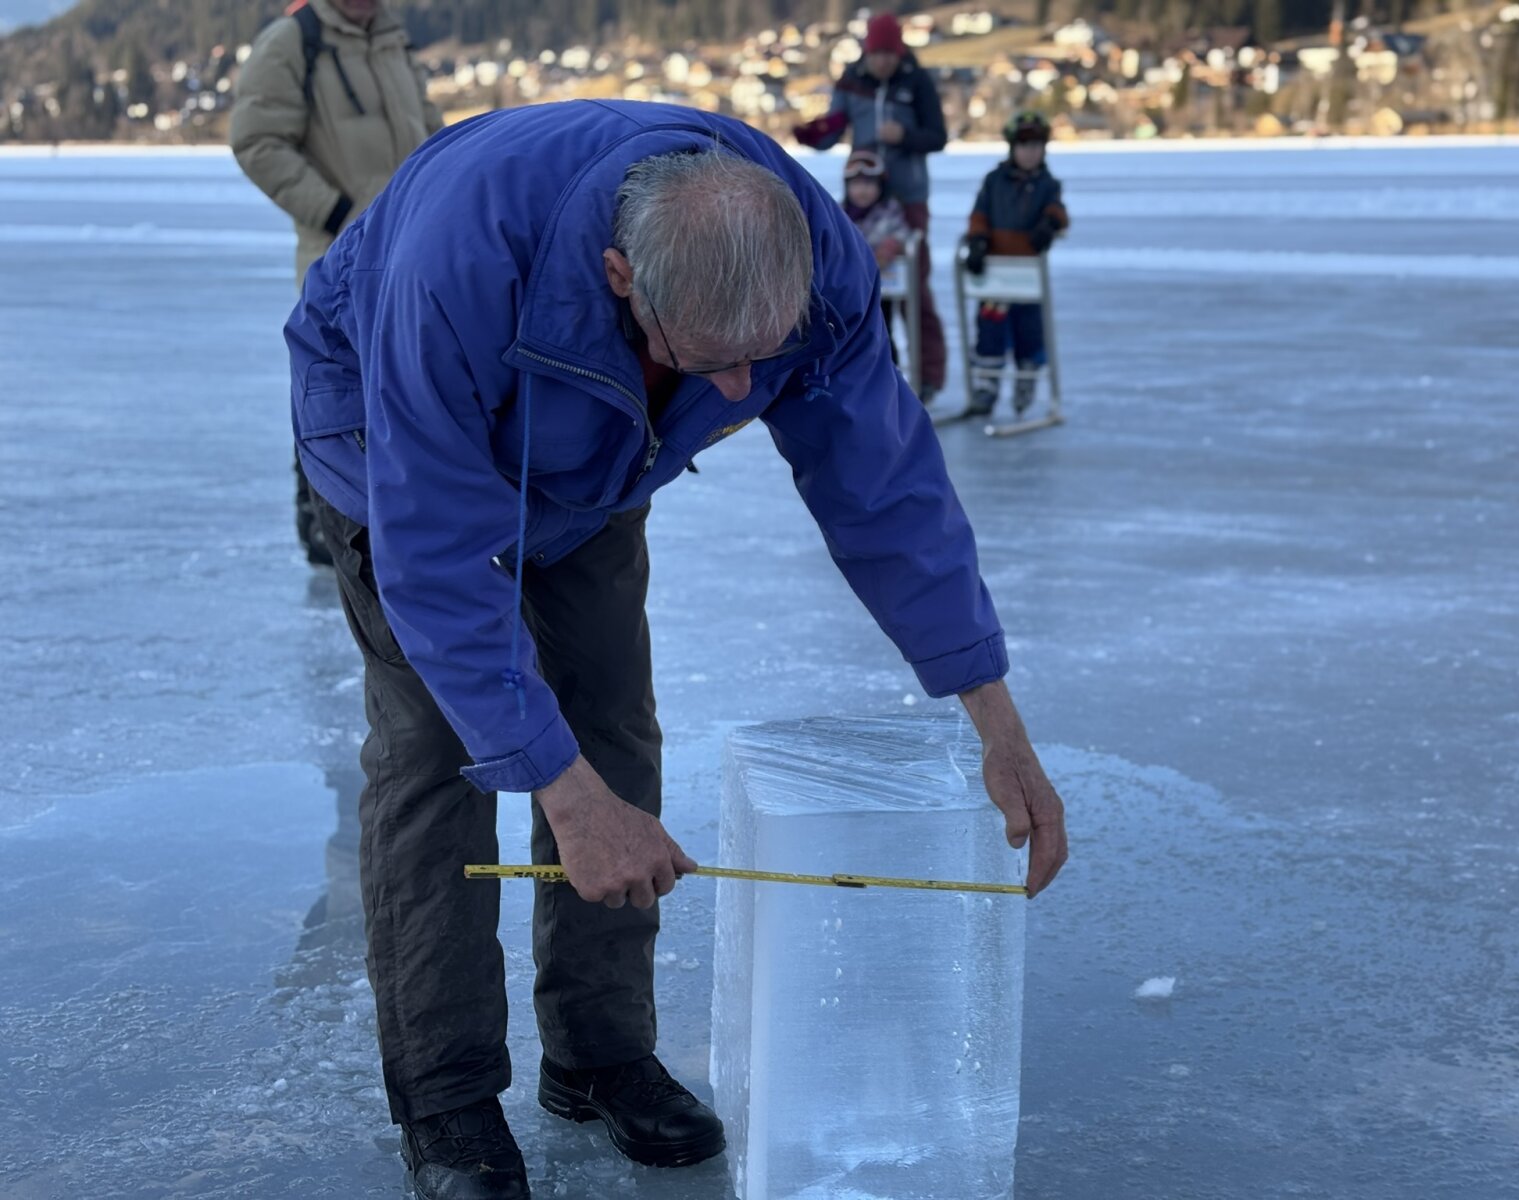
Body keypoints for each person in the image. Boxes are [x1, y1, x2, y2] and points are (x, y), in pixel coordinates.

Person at [285, 99, 1069, 1200]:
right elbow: (438, 565)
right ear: (620, 276)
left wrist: (994, 717)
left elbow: (884, 488)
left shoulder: (810, 267)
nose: (743, 393)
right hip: (387, 433)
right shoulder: (456, 269)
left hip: (597, 457)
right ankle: (448, 1097)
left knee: (613, 731)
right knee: (439, 757)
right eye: (714, 365)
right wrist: (556, 790)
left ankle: (598, 1053)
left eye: (761, 362)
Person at [229, 0, 442, 565]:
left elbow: (431, 135)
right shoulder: (293, 40)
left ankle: (406, 522)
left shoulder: (391, 39)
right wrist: (336, 213)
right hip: (339, 262)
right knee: (337, 393)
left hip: (412, 254)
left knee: (407, 388)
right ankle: (328, 529)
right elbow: (255, 141)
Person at [794, 11, 948, 404]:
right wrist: (813, 133)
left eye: (889, 55)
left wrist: (905, 135)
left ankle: (929, 378)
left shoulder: (916, 81)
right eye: (877, 54)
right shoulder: (852, 80)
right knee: (862, 290)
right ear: (867, 52)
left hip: (907, 199)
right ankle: (870, 373)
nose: (883, 62)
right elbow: (835, 126)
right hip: (862, 200)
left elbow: (938, 136)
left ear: (899, 53)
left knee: (915, 288)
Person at [961, 110, 1070, 419]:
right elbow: (979, 214)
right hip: (995, 275)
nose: (1030, 152)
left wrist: (1049, 225)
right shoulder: (995, 181)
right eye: (1024, 145)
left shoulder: (1048, 184)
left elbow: (1058, 212)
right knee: (990, 333)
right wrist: (978, 242)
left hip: (1027, 276)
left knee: (1029, 333)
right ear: (1012, 147)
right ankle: (987, 387)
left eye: (1036, 145)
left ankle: (1026, 383)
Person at [840, 148, 911, 358]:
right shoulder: (840, 212)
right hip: (850, 291)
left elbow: (902, 234)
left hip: (882, 290)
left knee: (883, 331)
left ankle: (889, 368)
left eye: (869, 184)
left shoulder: (889, 210)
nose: (863, 191)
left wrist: (888, 248)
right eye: (857, 184)